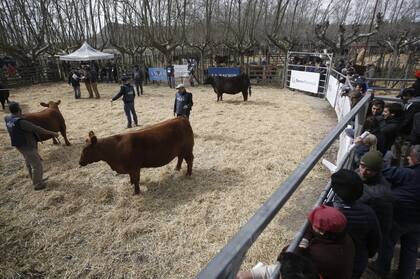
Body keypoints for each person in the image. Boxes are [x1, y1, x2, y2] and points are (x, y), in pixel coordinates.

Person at [236, 205, 354, 279]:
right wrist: (305, 239)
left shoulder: (320, 255)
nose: (310, 225)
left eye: (313, 224)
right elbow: (310, 230)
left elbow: (286, 257)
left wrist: (300, 247)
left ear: (322, 231)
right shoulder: (343, 237)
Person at [370, 145, 420, 279]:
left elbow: (386, 171)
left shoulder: (409, 173)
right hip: (417, 221)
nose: (408, 158)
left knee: (388, 241)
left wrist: (368, 153)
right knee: (411, 247)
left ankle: (382, 267)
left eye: (410, 156)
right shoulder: (411, 172)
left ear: (416, 159)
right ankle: (406, 274)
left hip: (400, 216)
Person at [329, 169, 381, 279]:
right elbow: (375, 239)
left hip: (333, 261)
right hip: (357, 261)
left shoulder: (328, 211)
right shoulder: (368, 213)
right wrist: (368, 254)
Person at [4, 102, 59, 190]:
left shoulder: (7, 118)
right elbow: (37, 129)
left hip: (19, 144)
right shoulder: (22, 122)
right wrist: (53, 133)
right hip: (27, 145)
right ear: (19, 110)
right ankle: (38, 184)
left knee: (29, 163)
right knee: (37, 165)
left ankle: (36, 179)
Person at [357, 151, 393, 254]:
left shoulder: (381, 194)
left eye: (369, 170)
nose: (363, 172)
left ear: (377, 171)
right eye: (362, 166)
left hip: (364, 237)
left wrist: (372, 249)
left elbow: (384, 224)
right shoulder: (357, 175)